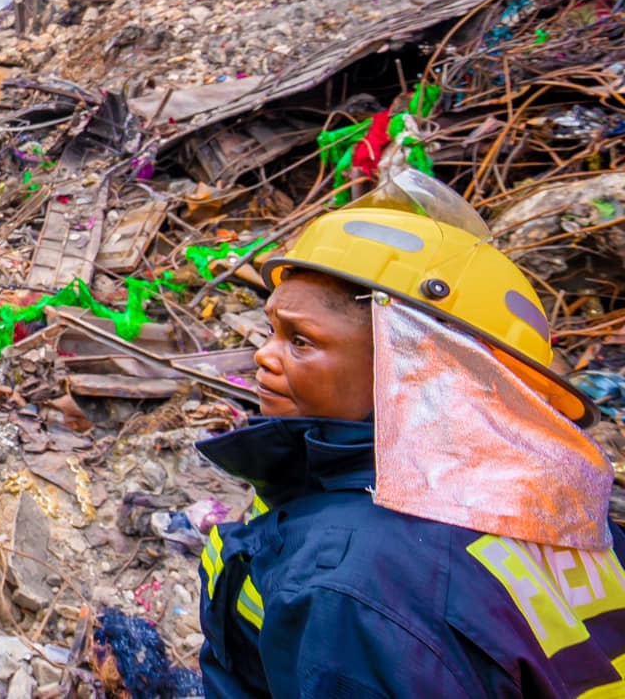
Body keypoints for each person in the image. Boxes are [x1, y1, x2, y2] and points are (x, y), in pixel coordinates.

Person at [196, 174, 625, 697]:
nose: (263, 355)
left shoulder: (357, 583)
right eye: (272, 330)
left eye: (301, 340)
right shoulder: (552, 502)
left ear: (417, 369)